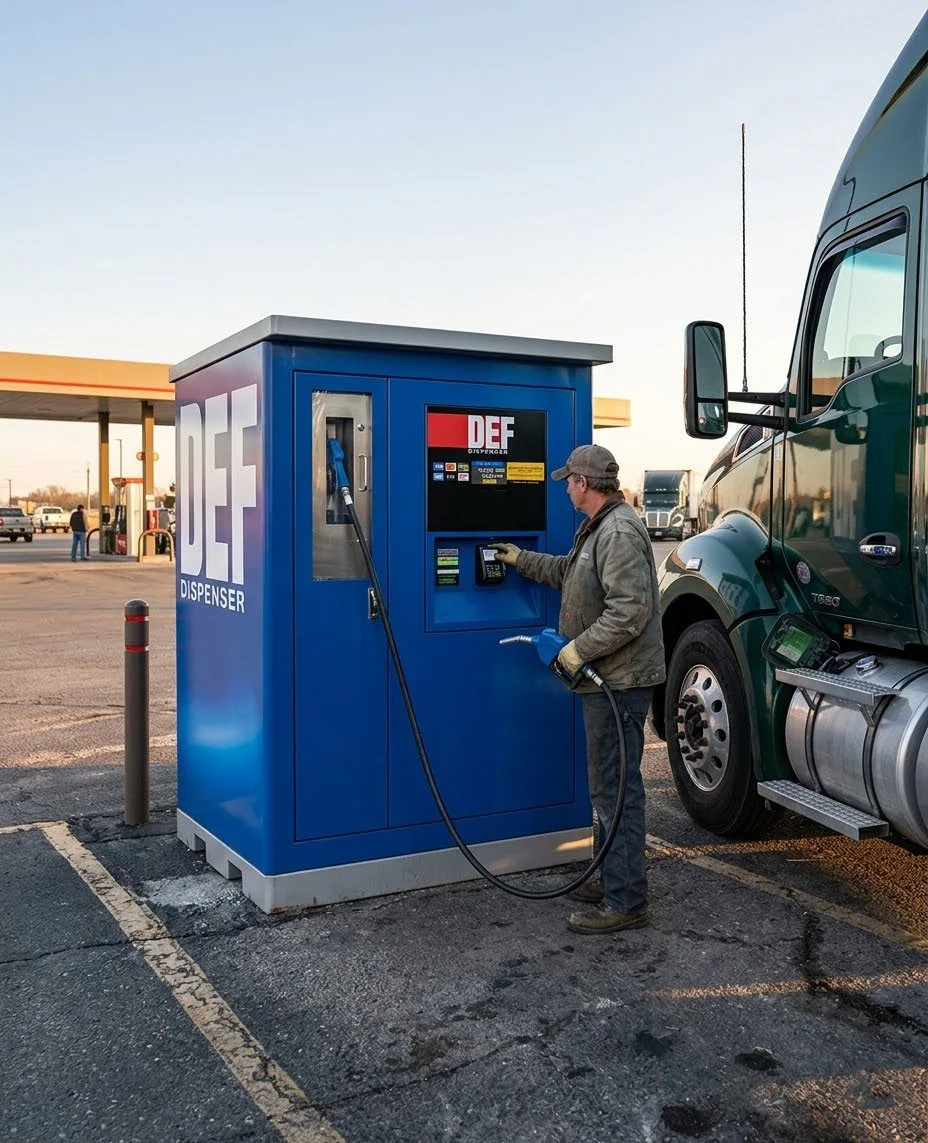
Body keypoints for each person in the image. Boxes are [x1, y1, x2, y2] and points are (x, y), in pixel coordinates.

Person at [490, 444, 665, 935]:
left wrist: (578, 650)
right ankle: (609, 874)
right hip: (608, 679)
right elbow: (569, 575)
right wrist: (520, 558)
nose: (565, 486)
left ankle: (626, 901)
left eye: (569, 480)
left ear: (584, 484)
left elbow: (629, 610)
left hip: (621, 681)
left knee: (616, 789)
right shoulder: (599, 528)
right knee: (606, 784)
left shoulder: (618, 531)